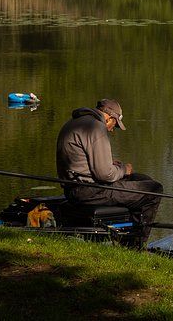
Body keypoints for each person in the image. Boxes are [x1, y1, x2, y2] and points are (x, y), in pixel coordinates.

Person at [56, 98, 163, 243]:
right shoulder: (95, 127)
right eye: (115, 125)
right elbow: (105, 174)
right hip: (91, 191)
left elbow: (82, 161)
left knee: (141, 178)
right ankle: (135, 245)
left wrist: (112, 165)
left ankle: (124, 234)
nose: (112, 130)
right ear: (110, 118)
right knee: (153, 190)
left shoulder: (74, 122)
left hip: (73, 189)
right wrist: (124, 169)